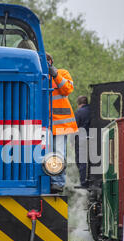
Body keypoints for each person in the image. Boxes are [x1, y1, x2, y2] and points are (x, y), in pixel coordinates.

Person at [46, 53, 78, 193]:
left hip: (61, 124)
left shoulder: (62, 73)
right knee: (43, 153)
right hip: (43, 125)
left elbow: (67, 89)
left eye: (47, 61)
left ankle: (58, 182)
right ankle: (46, 180)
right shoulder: (38, 76)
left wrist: (55, 74)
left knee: (58, 153)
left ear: (51, 62)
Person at [74, 96, 91, 188]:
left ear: (78, 104)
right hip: (93, 137)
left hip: (81, 138)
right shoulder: (92, 111)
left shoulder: (78, 112)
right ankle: (88, 180)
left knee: (80, 160)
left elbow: (74, 127)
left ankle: (83, 182)